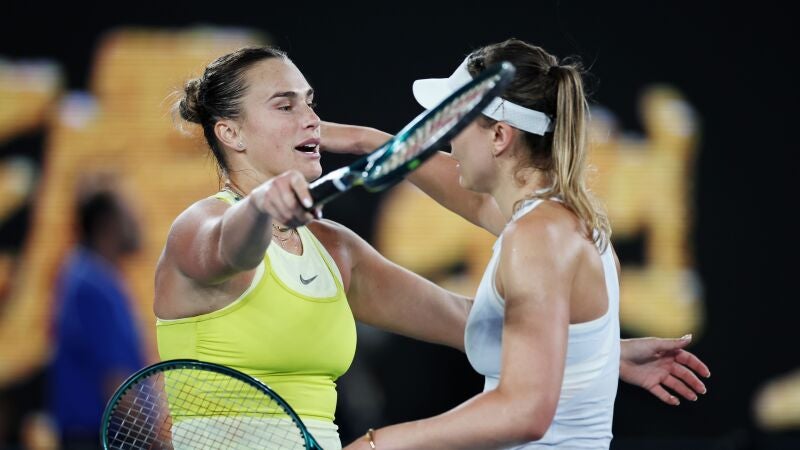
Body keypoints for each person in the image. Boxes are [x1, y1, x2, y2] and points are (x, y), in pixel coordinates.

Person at [156, 45, 709, 450]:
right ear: (230, 133)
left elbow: (468, 321)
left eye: (310, 102)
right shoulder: (200, 228)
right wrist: (263, 206)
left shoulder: (334, 250)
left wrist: (595, 351)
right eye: (285, 106)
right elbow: (230, 249)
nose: (311, 118)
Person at [320, 38, 710, 449]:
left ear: (499, 136)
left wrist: (377, 444)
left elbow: (525, 412)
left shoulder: (537, 237)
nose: (449, 140)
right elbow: (471, 199)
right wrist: (367, 141)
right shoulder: (560, 222)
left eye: (457, 124)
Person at [48, 176, 145, 449]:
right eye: (130, 212)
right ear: (109, 223)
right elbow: (115, 381)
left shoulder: (91, 275)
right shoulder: (91, 284)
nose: (139, 221)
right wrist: (154, 440)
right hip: (96, 438)